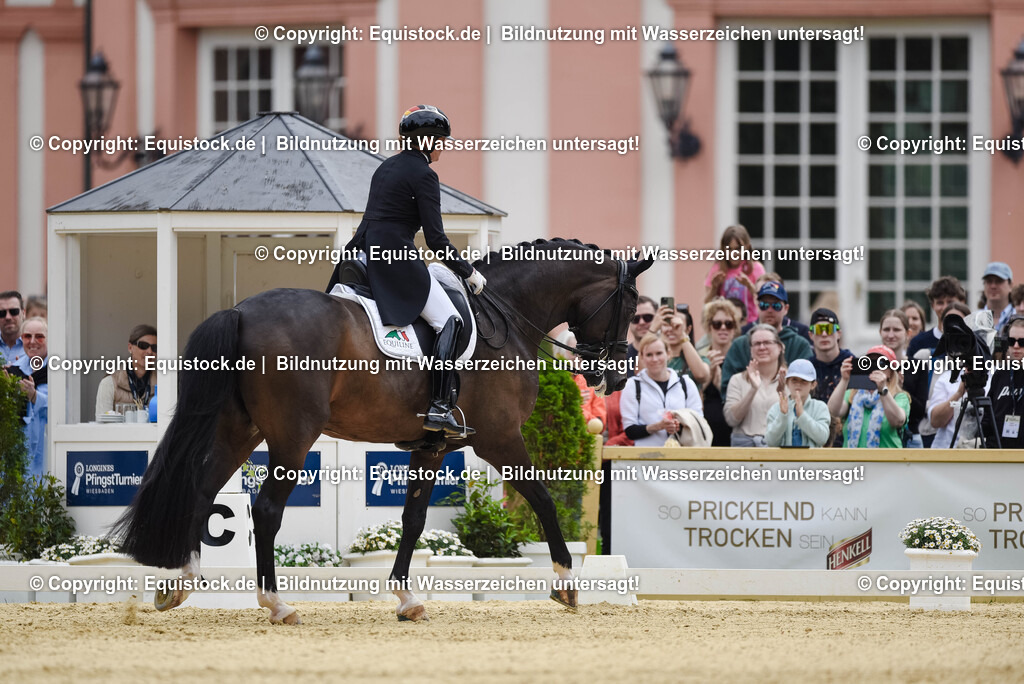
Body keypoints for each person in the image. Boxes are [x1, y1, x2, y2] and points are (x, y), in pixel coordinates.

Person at [326, 105, 486, 436]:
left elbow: (370, 222)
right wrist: (467, 271)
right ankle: (439, 408)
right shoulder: (425, 175)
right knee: (450, 321)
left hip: (363, 254)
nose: (443, 146)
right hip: (398, 262)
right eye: (441, 140)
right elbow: (436, 239)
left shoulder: (385, 168)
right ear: (427, 141)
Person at [904, 276, 968, 447]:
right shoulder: (919, 343)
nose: (945, 307)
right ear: (932, 305)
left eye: (950, 301)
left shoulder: (974, 345)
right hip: (927, 427)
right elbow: (910, 388)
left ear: (961, 302)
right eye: (940, 302)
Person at [721, 281, 812, 394]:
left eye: (776, 305)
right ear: (757, 307)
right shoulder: (740, 345)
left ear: (786, 308)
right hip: (748, 408)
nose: (769, 310)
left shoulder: (800, 345)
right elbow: (727, 390)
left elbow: (809, 386)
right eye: (764, 305)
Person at [620, 334, 703, 448]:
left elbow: (698, 422)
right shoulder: (632, 385)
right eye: (649, 355)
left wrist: (678, 426)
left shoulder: (686, 384)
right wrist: (658, 426)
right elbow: (630, 431)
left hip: (682, 458)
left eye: (659, 353)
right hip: (646, 458)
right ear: (642, 357)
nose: (654, 359)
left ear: (668, 354)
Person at [828, 345, 910, 448]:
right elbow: (833, 411)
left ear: (890, 372)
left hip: (888, 461)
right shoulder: (852, 394)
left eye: (881, 363)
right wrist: (844, 380)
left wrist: (883, 390)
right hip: (854, 461)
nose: (875, 368)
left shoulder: (899, 397)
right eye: (869, 363)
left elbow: (898, 420)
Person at [925, 303, 979, 449]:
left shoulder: (992, 374)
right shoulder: (945, 377)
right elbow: (935, 421)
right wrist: (959, 393)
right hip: (946, 452)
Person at [723, 324, 786, 447]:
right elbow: (731, 420)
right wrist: (753, 389)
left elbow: (796, 417)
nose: (762, 347)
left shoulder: (791, 380)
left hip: (779, 450)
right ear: (751, 350)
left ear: (779, 347)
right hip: (744, 450)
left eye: (767, 342)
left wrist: (783, 391)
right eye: (756, 344)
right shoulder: (737, 380)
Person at [697, 298, 742, 446]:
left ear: (734, 328)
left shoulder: (742, 360)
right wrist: (706, 378)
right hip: (705, 435)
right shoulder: (699, 358)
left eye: (728, 324)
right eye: (717, 324)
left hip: (735, 434)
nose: (723, 328)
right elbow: (691, 399)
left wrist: (722, 385)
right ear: (709, 327)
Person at [703, 225, 765, 323]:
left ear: (747, 247)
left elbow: (764, 300)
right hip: (725, 325)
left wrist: (750, 286)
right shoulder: (718, 269)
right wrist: (714, 288)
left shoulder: (755, 268)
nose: (733, 253)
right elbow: (707, 304)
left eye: (738, 249)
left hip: (751, 324)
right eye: (729, 249)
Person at [95, 324, 158, 420]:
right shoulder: (109, 383)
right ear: (130, 348)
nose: (149, 351)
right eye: (143, 346)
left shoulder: (164, 384)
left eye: (154, 348)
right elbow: (102, 427)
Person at [765, 359, 831, 447]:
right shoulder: (776, 408)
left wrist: (802, 415)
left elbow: (822, 438)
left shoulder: (820, 407)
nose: (798, 384)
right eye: (794, 380)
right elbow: (770, 442)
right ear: (787, 382)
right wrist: (782, 415)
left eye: (804, 381)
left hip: (811, 460)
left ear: (813, 385)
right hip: (783, 460)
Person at [982, 315, 1024, 448]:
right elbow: (988, 416)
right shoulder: (1000, 374)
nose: (1016, 346)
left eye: (1022, 342)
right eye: (1012, 341)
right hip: (997, 452)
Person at [14, 317, 48, 478]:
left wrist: (34, 396)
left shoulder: (60, 370)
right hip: (21, 450)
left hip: (47, 450)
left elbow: (65, 410)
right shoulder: (14, 368)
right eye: (27, 336)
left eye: (39, 336)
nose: (33, 342)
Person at [808, 308, 852, 404]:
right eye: (819, 330)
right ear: (811, 335)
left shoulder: (851, 364)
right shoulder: (807, 368)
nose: (824, 334)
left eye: (829, 329)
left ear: (839, 334)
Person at [662, 310, 710, 389]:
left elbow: (702, 376)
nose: (671, 329)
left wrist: (682, 336)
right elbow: (639, 371)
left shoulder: (701, 359)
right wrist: (653, 328)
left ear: (688, 329)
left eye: (677, 325)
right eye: (667, 324)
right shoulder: (656, 358)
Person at [980, 262, 1015, 332]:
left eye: (999, 281)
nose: (993, 286)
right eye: (989, 281)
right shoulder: (974, 320)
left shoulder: (1019, 318)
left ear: (1010, 285)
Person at [0, 290, 26, 367]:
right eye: (2, 313)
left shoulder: (36, 346)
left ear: (23, 313)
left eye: (14, 311)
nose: (8, 317)